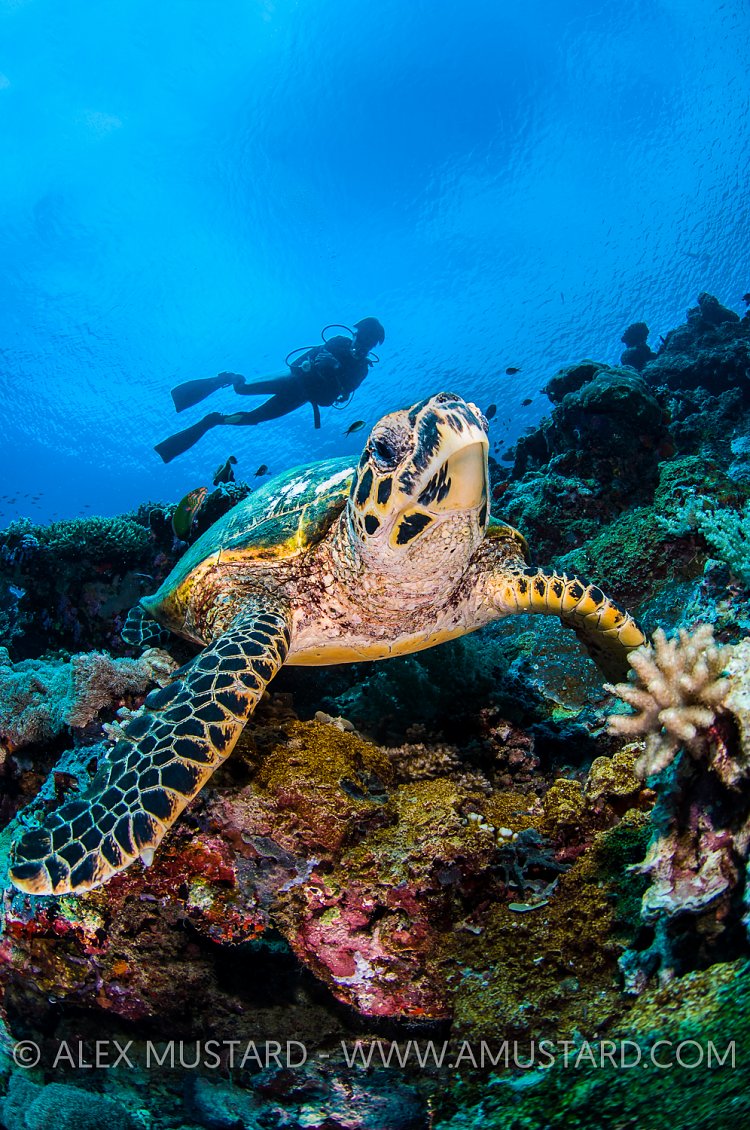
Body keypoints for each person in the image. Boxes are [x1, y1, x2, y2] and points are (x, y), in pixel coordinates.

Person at [154, 318, 385, 463]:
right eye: (360, 336)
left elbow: (331, 399)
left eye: (367, 341)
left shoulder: (361, 370)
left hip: (302, 397)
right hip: (293, 379)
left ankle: (213, 420)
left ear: (373, 345)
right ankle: (226, 379)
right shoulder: (338, 341)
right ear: (355, 333)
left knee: (255, 418)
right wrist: (318, 362)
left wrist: (334, 369)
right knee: (242, 389)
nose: (360, 342)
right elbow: (303, 361)